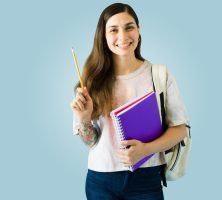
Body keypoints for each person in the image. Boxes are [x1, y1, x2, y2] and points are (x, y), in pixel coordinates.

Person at [71, 3, 189, 200]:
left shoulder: (159, 75)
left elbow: (180, 129)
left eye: (129, 27)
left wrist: (146, 150)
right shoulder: (91, 81)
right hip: (100, 180)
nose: (123, 37)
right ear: (104, 36)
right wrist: (83, 120)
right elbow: (90, 142)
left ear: (139, 29)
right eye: (113, 30)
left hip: (146, 179)